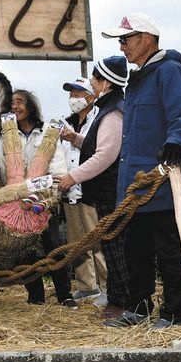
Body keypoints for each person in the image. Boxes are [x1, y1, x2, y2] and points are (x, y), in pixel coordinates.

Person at [100, 13, 181, 329]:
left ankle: (174, 313)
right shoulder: (139, 78)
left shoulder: (169, 71)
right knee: (136, 252)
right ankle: (139, 308)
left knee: (169, 251)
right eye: (120, 40)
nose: (122, 45)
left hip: (162, 181)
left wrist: (176, 141)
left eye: (126, 39)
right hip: (135, 186)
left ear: (146, 38)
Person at [59, 57, 130, 320]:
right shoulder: (107, 109)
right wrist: (76, 139)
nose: (92, 83)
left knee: (113, 248)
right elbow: (95, 146)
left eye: (96, 78)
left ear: (106, 83)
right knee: (110, 246)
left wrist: (73, 176)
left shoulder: (112, 113)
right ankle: (117, 300)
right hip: (103, 190)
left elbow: (105, 155)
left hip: (109, 190)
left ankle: (120, 302)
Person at [0, 90, 78, 309]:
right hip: (17, 201)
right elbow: (3, 169)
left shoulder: (46, 135)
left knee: (53, 245)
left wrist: (43, 190)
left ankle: (64, 294)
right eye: (11, 103)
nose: (15, 107)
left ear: (30, 107)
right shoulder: (4, 137)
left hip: (43, 200)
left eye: (20, 102)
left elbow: (58, 169)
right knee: (23, 251)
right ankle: (35, 295)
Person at [60, 78, 108, 307]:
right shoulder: (65, 123)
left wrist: (75, 139)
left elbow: (100, 152)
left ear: (91, 96)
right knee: (77, 243)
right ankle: (87, 287)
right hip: (69, 191)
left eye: (78, 94)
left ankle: (108, 288)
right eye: (72, 94)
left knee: (98, 241)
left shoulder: (100, 120)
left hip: (91, 190)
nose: (73, 98)